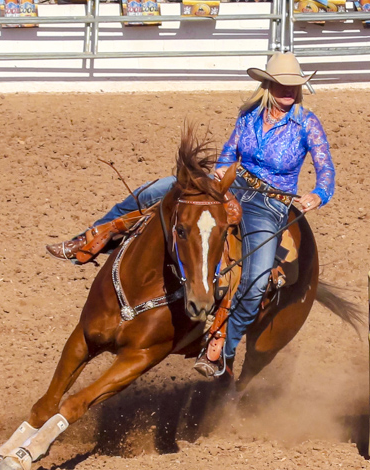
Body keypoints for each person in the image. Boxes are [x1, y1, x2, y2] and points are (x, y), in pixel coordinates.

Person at [46, 52, 335, 377]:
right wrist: (213, 184)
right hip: (231, 185)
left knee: (254, 281)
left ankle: (220, 349)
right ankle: (91, 238)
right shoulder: (250, 116)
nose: (288, 92)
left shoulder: (306, 123)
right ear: (267, 85)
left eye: (294, 87)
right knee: (158, 190)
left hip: (269, 204)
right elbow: (228, 154)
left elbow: (326, 169)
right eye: (282, 85)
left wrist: (318, 194)